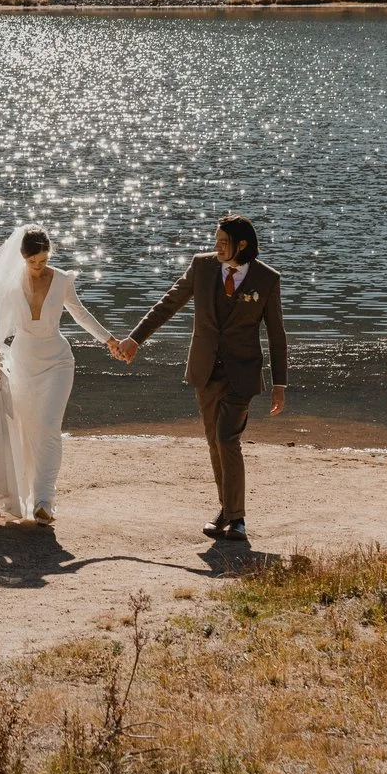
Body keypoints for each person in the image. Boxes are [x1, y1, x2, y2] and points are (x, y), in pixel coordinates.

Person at [109, 215, 287, 543]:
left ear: (242, 245)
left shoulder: (267, 279)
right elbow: (168, 304)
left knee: (226, 438)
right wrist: (135, 338)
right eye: (216, 241)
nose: (216, 247)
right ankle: (226, 509)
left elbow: (276, 335)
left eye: (223, 242)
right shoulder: (202, 267)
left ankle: (238, 520)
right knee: (213, 442)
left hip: (242, 374)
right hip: (205, 370)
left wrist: (280, 384)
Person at [0, 225, 115, 525]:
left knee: (47, 426)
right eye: (33, 261)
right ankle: (18, 495)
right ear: (23, 257)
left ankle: (45, 501)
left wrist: (109, 340)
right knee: (21, 429)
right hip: (21, 364)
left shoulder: (61, 280)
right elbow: (1, 329)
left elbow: (81, 314)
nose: (38, 266)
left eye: (44, 260)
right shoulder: (10, 286)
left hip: (57, 363)